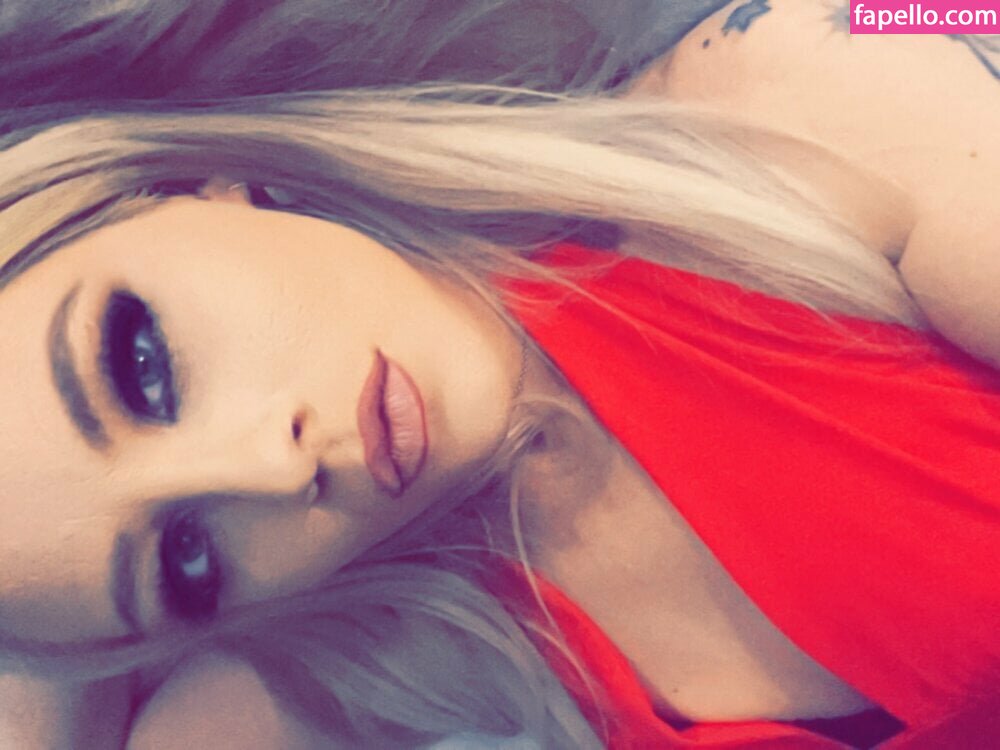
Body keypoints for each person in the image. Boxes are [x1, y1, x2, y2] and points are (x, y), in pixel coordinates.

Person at [0, 1, 997, 747]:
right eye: (187, 561)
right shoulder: (421, 639)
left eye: (140, 366)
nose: (272, 469)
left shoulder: (789, 96)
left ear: (173, 185)